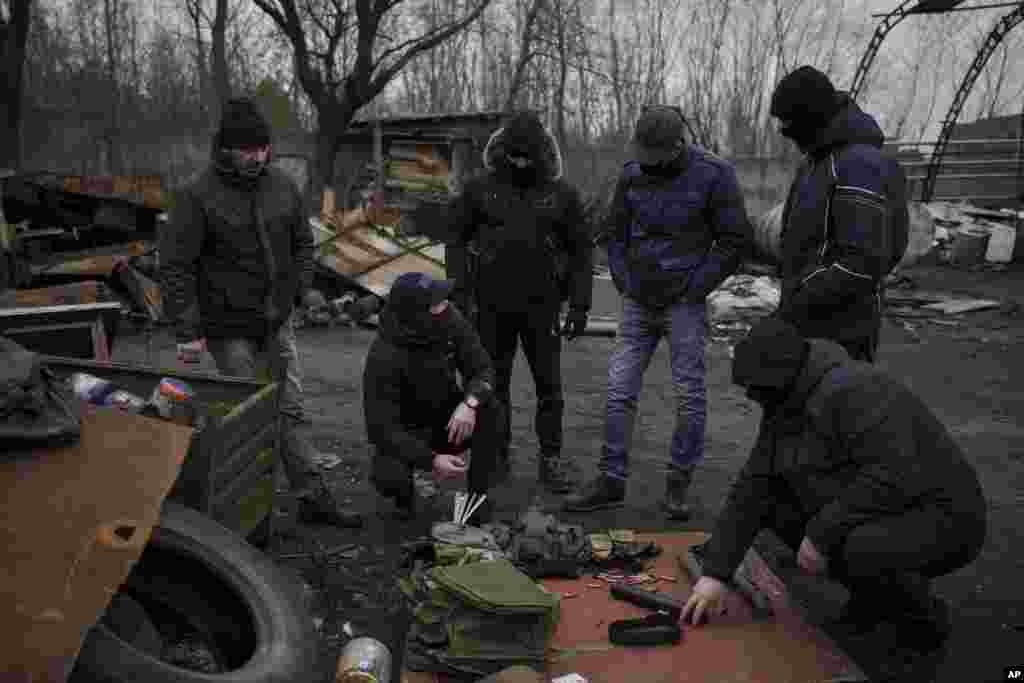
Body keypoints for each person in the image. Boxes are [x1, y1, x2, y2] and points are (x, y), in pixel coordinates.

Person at [681, 319, 987, 680]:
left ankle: (922, 623)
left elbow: (895, 476)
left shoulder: (859, 391)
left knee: (860, 546)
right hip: (885, 504)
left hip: (946, 517)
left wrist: (821, 532)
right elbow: (755, 486)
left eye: (755, 388)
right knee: (778, 508)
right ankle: (872, 600)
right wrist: (716, 574)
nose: (751, 397)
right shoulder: (787, 399)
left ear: (780, 378)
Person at [159, 97, 362, 528]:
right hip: (227, 325)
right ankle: (249, 512)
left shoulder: (282, 187)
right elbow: (177, 266)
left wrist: (300, 288)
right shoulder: (197, 196)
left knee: (290, 408)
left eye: (262, 150)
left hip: (276, 321)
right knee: (247, 418)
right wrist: (188, 331)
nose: (256, 157)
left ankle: (312, 496)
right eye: (247, 151)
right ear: (226, 149)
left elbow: (303, 244)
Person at [564, 105, 752, 519]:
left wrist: (695, 287)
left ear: (676, 146)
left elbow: (736, 240)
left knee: (689, 395)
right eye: (642, 153)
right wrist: (621, 278)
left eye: (654, 156)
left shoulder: (714, 174)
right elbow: (613, 233)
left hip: (683, 304)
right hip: (637, 301)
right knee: (618, 391)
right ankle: (610, 480)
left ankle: (677, 486)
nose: (646, 162)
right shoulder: (632, 173)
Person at [437, 111, 594, 494]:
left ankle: (551, 460)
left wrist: (579, 305)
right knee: (494, 384)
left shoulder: (561, 194)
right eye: (515, 155)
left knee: (549, 387)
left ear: (542, 152)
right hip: (490, 305)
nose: (521, 162)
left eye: (528, 156)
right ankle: (497, 455)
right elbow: (454, 237)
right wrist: (458, 289)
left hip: (543, 306)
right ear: (503, 150)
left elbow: (581, 251)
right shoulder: (479, 189)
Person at [769, 65, 908, 363]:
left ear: (811, 118)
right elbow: (797, 238)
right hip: (806, 322)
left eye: (789, 124)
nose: (786, 133)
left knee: (836, 405)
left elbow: (862, 262)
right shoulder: (813, 164)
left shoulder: (859, 165)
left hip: (843, 332)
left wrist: (799, 302)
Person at [363, 271, 507, 522]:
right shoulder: (383, 356)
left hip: (449, 420)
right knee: (388, 473)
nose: (447, 305)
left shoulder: (450, 319)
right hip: (409, 433)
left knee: (491, 409)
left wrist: (469, 403)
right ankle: (404, 500)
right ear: (417, 315)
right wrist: (431, 460)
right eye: (437, 303)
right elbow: (381, 429)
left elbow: (482, 368)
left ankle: (477, 500)